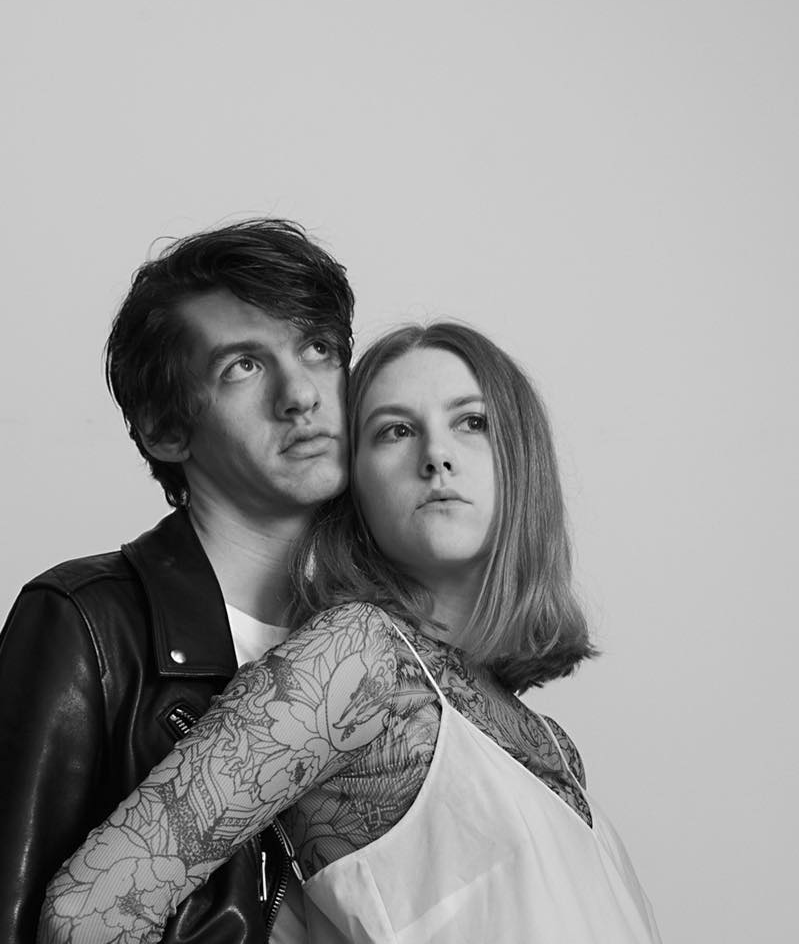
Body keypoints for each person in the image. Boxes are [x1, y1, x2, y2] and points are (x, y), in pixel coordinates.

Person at [37, 320, 663, 944]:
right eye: (395, 431)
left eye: (472, 422)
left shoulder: (556, 749)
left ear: (523, 459)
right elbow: (86, 913)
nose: (436, 456)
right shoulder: (356, 655)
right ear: (354, 485)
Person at [0, 218, 356, 944]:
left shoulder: (384, 637)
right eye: (243, 366)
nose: (301, 394)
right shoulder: (86, 627)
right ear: (165, 428)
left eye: (317, 348)